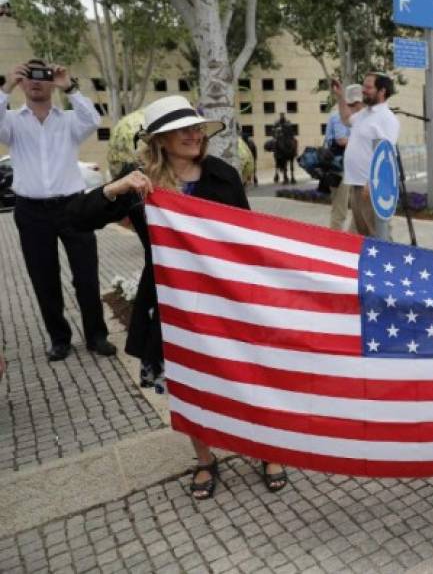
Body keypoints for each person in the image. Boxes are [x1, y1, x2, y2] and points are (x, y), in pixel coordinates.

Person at [68, 96, 288, 500]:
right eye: (182, 129)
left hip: (226, 295)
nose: (194, 134)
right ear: (160, 140)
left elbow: (246, 236)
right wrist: (116, 187)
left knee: (250, 376)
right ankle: (204, 459)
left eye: (197, 128)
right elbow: (76, 217)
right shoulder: (137, 182)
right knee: (186, 383)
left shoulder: (221, 174)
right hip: (170, 303)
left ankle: (267, 449)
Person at [0, 59, 116, 361]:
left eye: (43, 76)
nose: (36, 82)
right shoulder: (11, 121)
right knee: (44, 278)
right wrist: (6, 86)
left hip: (73, 206)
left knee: (87, 276)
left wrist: (70, 87)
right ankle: (59, 339)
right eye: (29, 77)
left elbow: (93, 120)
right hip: (31, 210)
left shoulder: (68, 121)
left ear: (52, 82)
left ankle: (97, 335)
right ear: (22, 83)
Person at [331, 73, 400, 238]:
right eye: (364, 86)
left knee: (379, 235)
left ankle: (388, 262)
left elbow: (387, 155)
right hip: (357, 183)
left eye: (369, 87)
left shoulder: (387, 119)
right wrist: (341, 97)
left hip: (370, 188)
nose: (364, 90)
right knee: (364, 235)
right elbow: (347, 119)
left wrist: (372, 183)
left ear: (382, 91)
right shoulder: (365, 113)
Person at [325, 84, 363, 231]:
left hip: (349, 167)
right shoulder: (338, 116)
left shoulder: (354, 117)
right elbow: (342, 140)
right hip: (339, 168)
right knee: (340, 210)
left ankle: (352, 240)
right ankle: (335, 243)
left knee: (358, 209)